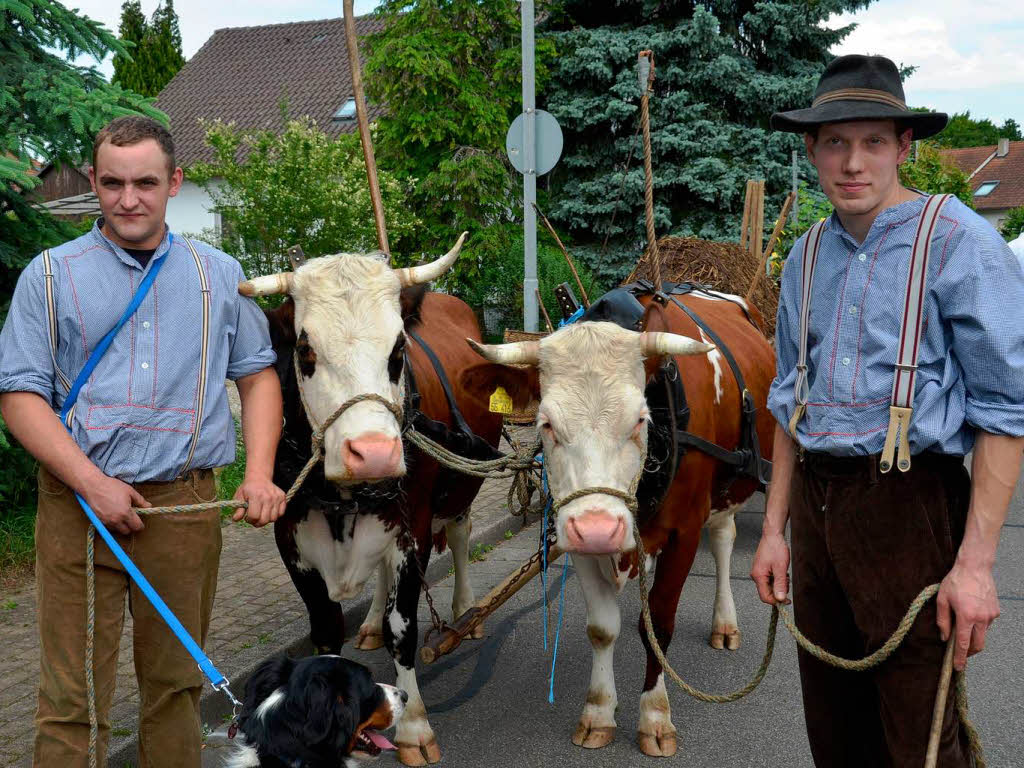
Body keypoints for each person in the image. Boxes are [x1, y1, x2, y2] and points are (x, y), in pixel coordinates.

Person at [751, 55, 1024, 767]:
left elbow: (1005, 412)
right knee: (835, 731)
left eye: (873, 141)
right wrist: (775, 530)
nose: (853, 163)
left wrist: (977, 566)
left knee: (921, 739)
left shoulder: (961, 241)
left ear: (905, 147)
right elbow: (791, 403)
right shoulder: (805, 256)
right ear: (811, 149)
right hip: (816, 508)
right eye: (835, 143)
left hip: (913, 506)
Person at [0, 116, 287, 767]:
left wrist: (261, 473)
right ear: (96, 184)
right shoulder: (48, 277)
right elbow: (19, 395)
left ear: (174, 183)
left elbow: (257, 375)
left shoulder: (220, 274)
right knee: (73, 699)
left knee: (176, 690)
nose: (129, 199)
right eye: (113, 183)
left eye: (146, 183)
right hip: (78, 508)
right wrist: (92, 483)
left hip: (183, 509)